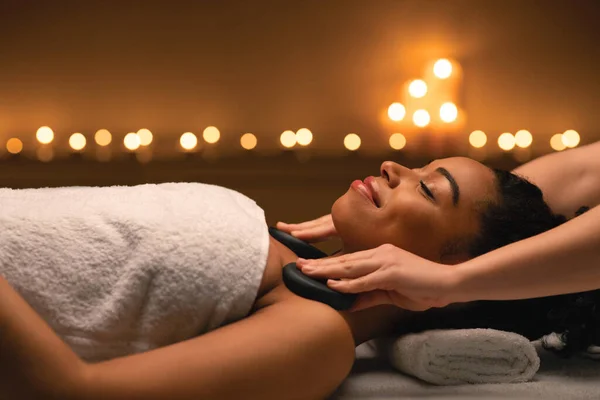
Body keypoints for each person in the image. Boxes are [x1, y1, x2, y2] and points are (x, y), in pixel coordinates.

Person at [0, 155, 568, 399]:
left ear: (446, 276)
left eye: (427, 188)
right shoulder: (282, 256)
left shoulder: (315, 337)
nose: (396, 166)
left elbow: (68, 391)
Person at [278, 140, 600, 353]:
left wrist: (450, 281)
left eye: (427, 190)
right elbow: (582, 173)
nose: (389, 166)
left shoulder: (317, 339)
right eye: (421, 170)